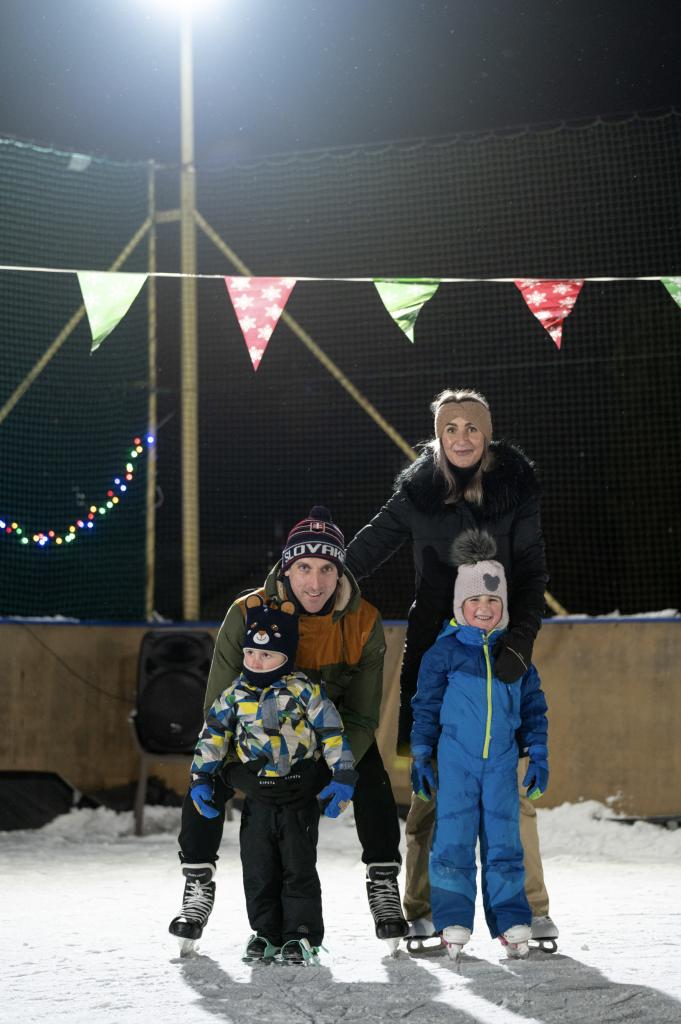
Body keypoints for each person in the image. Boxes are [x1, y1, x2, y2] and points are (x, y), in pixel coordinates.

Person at [345, 388, 558, 951]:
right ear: (438, 436)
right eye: (450, 428)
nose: (461, 438)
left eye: (472, 427)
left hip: (498, 652)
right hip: (431, 653)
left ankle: (530, 908)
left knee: (510, 791)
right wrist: (304, 577)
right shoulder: (417, 491)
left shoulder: (516, 488)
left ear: (487, 434)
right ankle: (422, 908)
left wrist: (520, 643)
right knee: (428, 787)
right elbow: (367, 548)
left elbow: (532, 572)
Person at [169, 506, 408, 953]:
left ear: (340, 572)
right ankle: (197, 883)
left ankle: (383, 881)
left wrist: (333, 768)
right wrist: (235, 769)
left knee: (371, 772)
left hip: (323, 740)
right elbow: (218, 708)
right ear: (286, 568)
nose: (315, 583)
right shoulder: (246, 613)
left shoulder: (363, 621)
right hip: (254, 742)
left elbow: (361, 717)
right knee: (204, 773)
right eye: (304, 568)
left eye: (326, 569)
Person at [184, 594, 357, 964]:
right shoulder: (234, 695)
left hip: (297, 796)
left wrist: (343, 774)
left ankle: (301, 935)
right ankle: (265, 933)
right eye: (250, 652)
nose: (255, 661)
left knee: (298, 868)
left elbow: (332, 732)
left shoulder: (304, 690)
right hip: (258, 799)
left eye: (266, 654)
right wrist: (201, 777)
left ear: (286, 655)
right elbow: (213, 736)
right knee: (258, 869)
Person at [410, 529, 549, 961]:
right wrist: (421, 754)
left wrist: (538, 752)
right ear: (460, 605)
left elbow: (534, 708)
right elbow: (425, 707)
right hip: (456, 763)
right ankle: (453, 918)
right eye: (475, 600)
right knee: (452, 840)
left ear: (503, 606)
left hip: (502, 764)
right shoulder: (444, 653)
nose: (485, 608)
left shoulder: (516, 656)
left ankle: (511, 919)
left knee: (505, 842)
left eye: (493, 600)